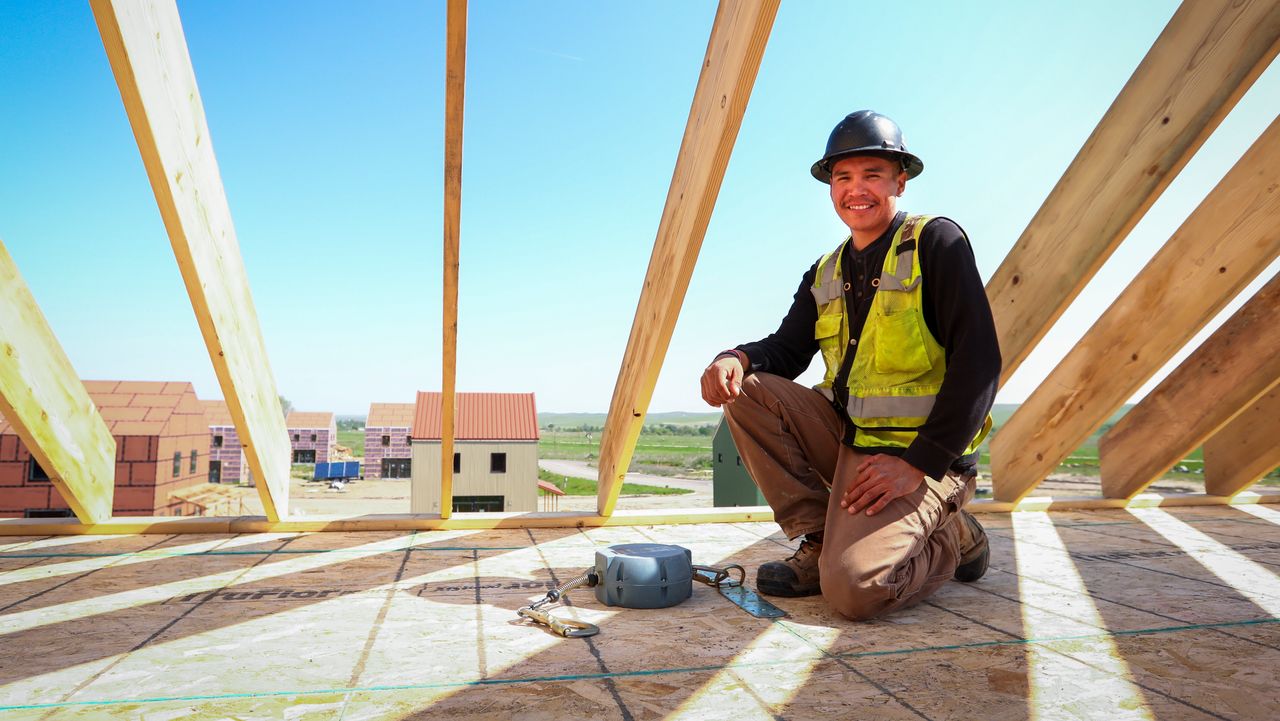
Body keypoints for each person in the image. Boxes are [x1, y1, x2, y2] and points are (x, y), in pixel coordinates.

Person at [699, 110, 1001, 621]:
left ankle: (951, 532)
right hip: (853, 444)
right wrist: (736, 356)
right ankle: (818, 539)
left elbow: (980, 362)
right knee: (748, 389)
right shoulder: (826, 270)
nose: (855, 190)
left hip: (926, 461)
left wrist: (917, 464)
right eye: (843, 177)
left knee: (857, 592)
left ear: (900, 181)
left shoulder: (935, 243)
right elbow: (788, 350)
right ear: (830, 187)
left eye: (872, 175)